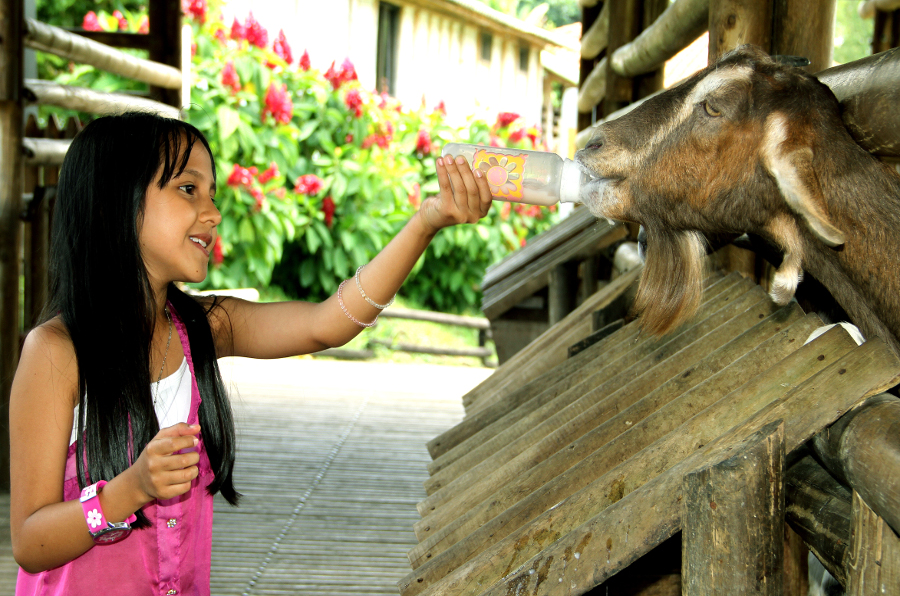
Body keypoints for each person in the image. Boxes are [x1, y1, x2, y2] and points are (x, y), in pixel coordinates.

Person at [9, 111, 493, 595]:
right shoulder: (56, 353)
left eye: (212, 194)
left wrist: (426, 222)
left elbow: (327, 325)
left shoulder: (201, 327)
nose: (213, 214)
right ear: (114, 203)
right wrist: (128, 491)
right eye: (188, 189)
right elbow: (30, 542)